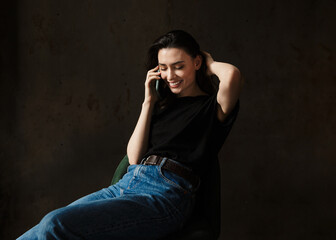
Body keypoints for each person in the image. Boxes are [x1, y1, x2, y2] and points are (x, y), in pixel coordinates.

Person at [17, 30, 243, 240]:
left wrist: (210, 63)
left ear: (196, 63)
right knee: (35, 233)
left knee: (54, 224)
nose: (169, 75)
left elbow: (232, 75)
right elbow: (134, 158)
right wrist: (148, 102)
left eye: (178, 66)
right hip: (128, 183)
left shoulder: (211, 108)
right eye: (163, 67)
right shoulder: (161, 107)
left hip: (165, 195)